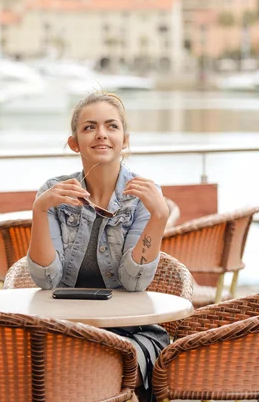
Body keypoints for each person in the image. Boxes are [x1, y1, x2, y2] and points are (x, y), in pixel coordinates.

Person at [27, 92, 170, 402]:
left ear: (125, 139)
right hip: (63, 330)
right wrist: (39, 211)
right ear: (74, 142)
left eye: (111, 126)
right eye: (89, 127)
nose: (102, 134)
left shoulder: (143, 195)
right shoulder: (54, 193)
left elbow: (134, 282)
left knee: (85, 370)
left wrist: (159, 216)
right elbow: (46, 280)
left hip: (129, 334)